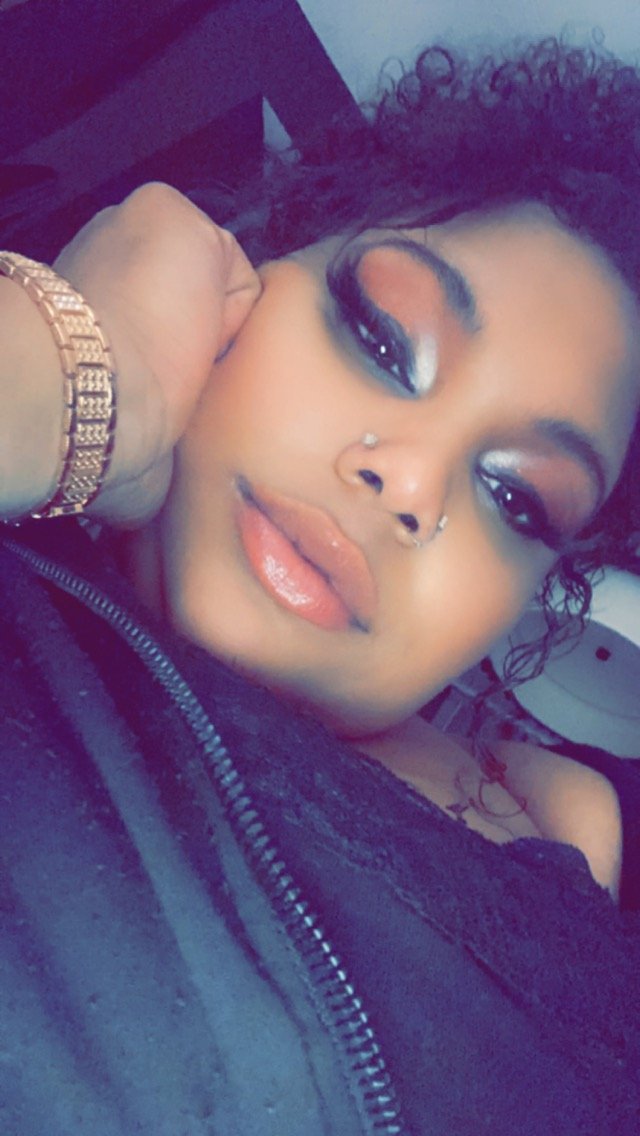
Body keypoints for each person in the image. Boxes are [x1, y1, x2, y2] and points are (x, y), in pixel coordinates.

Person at [1, 37, 639, 1135]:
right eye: (384, 340)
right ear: (241, 275)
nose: (412, 484)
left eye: (517, 497)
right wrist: (82, 365)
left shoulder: (564, 812)